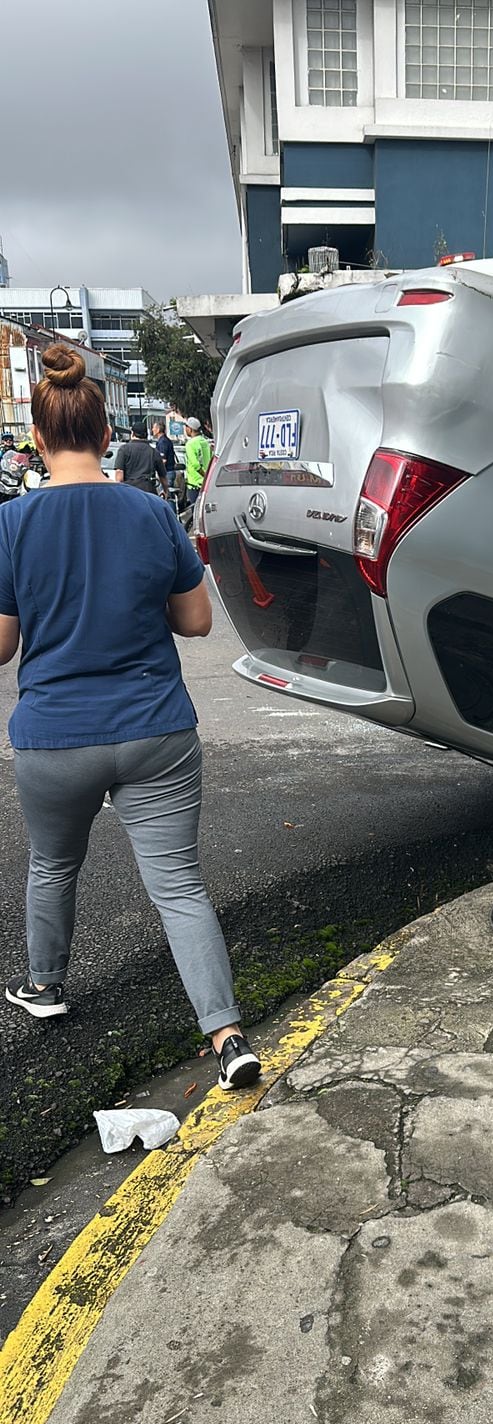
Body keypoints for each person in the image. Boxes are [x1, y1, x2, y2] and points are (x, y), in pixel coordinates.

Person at [0, 344, 262, 1092]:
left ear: (40, 441)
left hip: (55, 736)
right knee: (179, 886)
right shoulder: (151, 513)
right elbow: (197, 622)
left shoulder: (12, 523)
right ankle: (226, 1035)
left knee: (53, 864)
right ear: (106, 431)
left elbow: (2, 646)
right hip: (156, 731)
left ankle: (46, 987)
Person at [115, 418, 168, 497]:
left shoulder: (124, 449)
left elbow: (119, 476)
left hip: (129, 492)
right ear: (146, 435)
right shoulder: (153, 452)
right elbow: (162, 476)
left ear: (132, 434)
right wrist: (166, 491)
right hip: (149, 492)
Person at [184, 417, 212, 506]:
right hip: (206, 483)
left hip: (194, 483)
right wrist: (207, 477)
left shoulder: (190, 444)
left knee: (194, 511)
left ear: (190, 429)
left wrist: (204, 475)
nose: (185, 429)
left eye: (186, 427)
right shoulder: (205, 442)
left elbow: (195, 464)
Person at [152, 420, 177, 495]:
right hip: (167, 472)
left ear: (158, 429)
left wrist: (155, 469)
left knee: (166, 495)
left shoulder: (163, 442)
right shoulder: (163, 441)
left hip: (166, 473)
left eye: (154, 428)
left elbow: (163, 460)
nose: (152, 430)